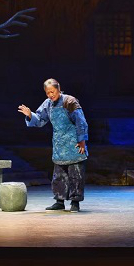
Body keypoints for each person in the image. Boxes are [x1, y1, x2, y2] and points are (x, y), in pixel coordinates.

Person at [18, 78, 88, 212]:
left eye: (53, 92)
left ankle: (75, 202)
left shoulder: (69, 101)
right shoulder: (48, 104)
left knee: (76, 175)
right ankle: (59, 201)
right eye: (48, 92)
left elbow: (81, 122)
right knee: (59, 175)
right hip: (59, 144)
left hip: (74, 143)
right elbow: (40, 120)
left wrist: (82, 141)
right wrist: (30, 115)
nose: (50, 95)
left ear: (58, 89)